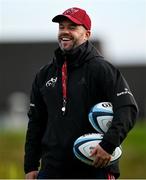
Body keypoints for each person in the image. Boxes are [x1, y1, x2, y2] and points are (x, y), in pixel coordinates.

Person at [24, 7, 138, 179]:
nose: (65, 32)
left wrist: (108, 145)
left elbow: (127, 108)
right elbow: (36, 122)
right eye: (61, 27)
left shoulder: (102, 69)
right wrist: (31, 165)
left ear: (87, 34)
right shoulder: (44, 74)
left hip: (95, 168)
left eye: (72, 27)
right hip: (52, 170)